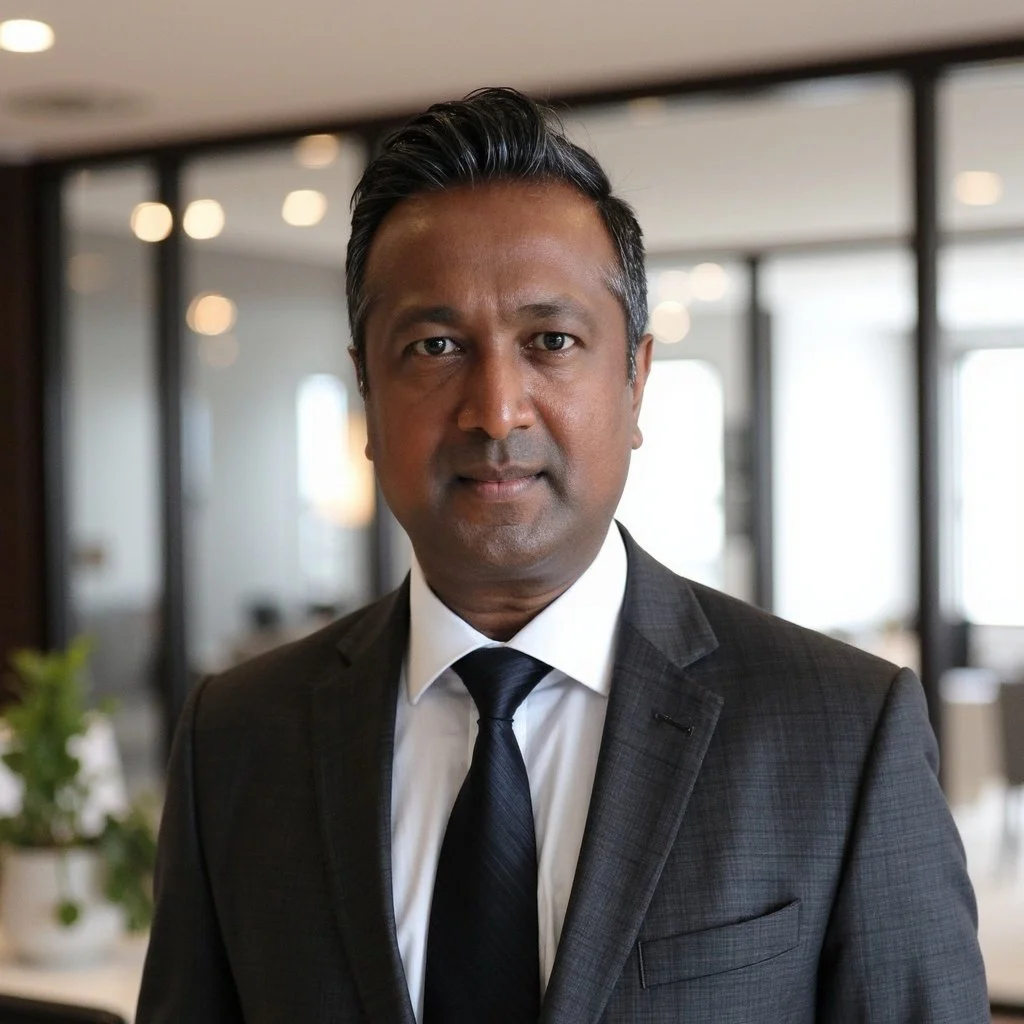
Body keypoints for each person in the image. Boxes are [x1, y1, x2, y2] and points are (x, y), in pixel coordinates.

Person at [136, 88, 988, 1023]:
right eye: (434, 345)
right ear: (367, 397)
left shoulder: (839, 729)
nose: (496, 410)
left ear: (636, 382)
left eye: (552, 340)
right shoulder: (239, 737)